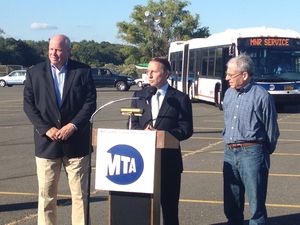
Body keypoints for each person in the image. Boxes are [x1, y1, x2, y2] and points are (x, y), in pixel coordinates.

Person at [23, 34, 97, 225]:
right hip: (47, 145)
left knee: (80, 196)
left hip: (77, 144)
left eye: (58, 50)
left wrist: (72, 126)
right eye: (51, 49)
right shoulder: (34, 73)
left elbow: (90, 103)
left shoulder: (83, 71)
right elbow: (29, 106)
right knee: (46, 197)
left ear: (68, 51)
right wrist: (46, 128)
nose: (54, 54)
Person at [130, 57, 193, 225]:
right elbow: (132, 125)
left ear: (166, 74)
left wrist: (163, 134)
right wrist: (143, 132)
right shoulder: (139, 96)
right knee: (144, 209)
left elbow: (186, 129)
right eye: (147, 71)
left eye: (154, 71)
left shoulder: (179, 98)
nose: (148, 75)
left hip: (168, 163)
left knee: (170, 209)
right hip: (142, 162)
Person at [222, 54, 279, 225]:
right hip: (229, 152)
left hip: (252, 152)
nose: (226, 78)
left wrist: (261, 151)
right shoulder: (229, 94)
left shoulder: (262, 96)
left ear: (244, 75)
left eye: (230, 75)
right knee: (231, 200)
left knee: (256, 203)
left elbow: (271, 130)